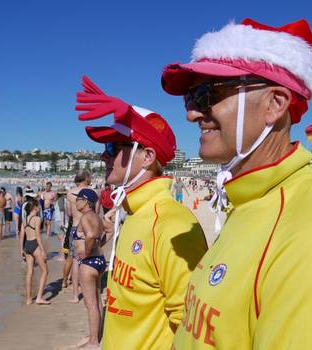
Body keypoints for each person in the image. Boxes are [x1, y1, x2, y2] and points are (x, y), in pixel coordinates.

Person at [160, 18, 312, 348]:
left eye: (207, 94)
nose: (191, 113)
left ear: (275, 104)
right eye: (190, 97)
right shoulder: (251, 201)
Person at [75, 76, 208, 349]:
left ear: (147, 157)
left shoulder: (171, 224)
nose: (104, 157)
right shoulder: (133, 213)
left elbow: (189, 327)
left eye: (112, 148)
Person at [75, 189, 106, 348]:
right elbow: (108, 231)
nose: (76, 201)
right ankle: (97, 335)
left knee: (91, 303)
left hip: (89, 263)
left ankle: (93, 341)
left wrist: (86, 254)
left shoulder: (86, 217)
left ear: (86, 201)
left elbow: (90, 236)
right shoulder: (98, 218)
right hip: (100, 260)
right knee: (97, 300)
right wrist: (98, 247)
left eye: (78, 199)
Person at [65, 170, 93, 301]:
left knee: (76, 259)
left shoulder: (70, 193)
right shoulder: (92, 192)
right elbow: (96, 213)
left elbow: (69, 213)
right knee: (88, 258)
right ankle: (87, 288)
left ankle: (76, 294)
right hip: (88, 227)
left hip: (76, 226)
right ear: (86, 178)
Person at [19, 198, 50, 305]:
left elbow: (21, 235)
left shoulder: (25, 219)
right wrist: (43, 250)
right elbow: (37, 236)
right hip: (34, 244)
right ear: (35, 207)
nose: (39, 208)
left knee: (30, 271)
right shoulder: (37, 219)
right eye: (38, 207)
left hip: (27, 245)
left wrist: (21, 249)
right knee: (45, 271)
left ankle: (28, 299)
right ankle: (39, 298)